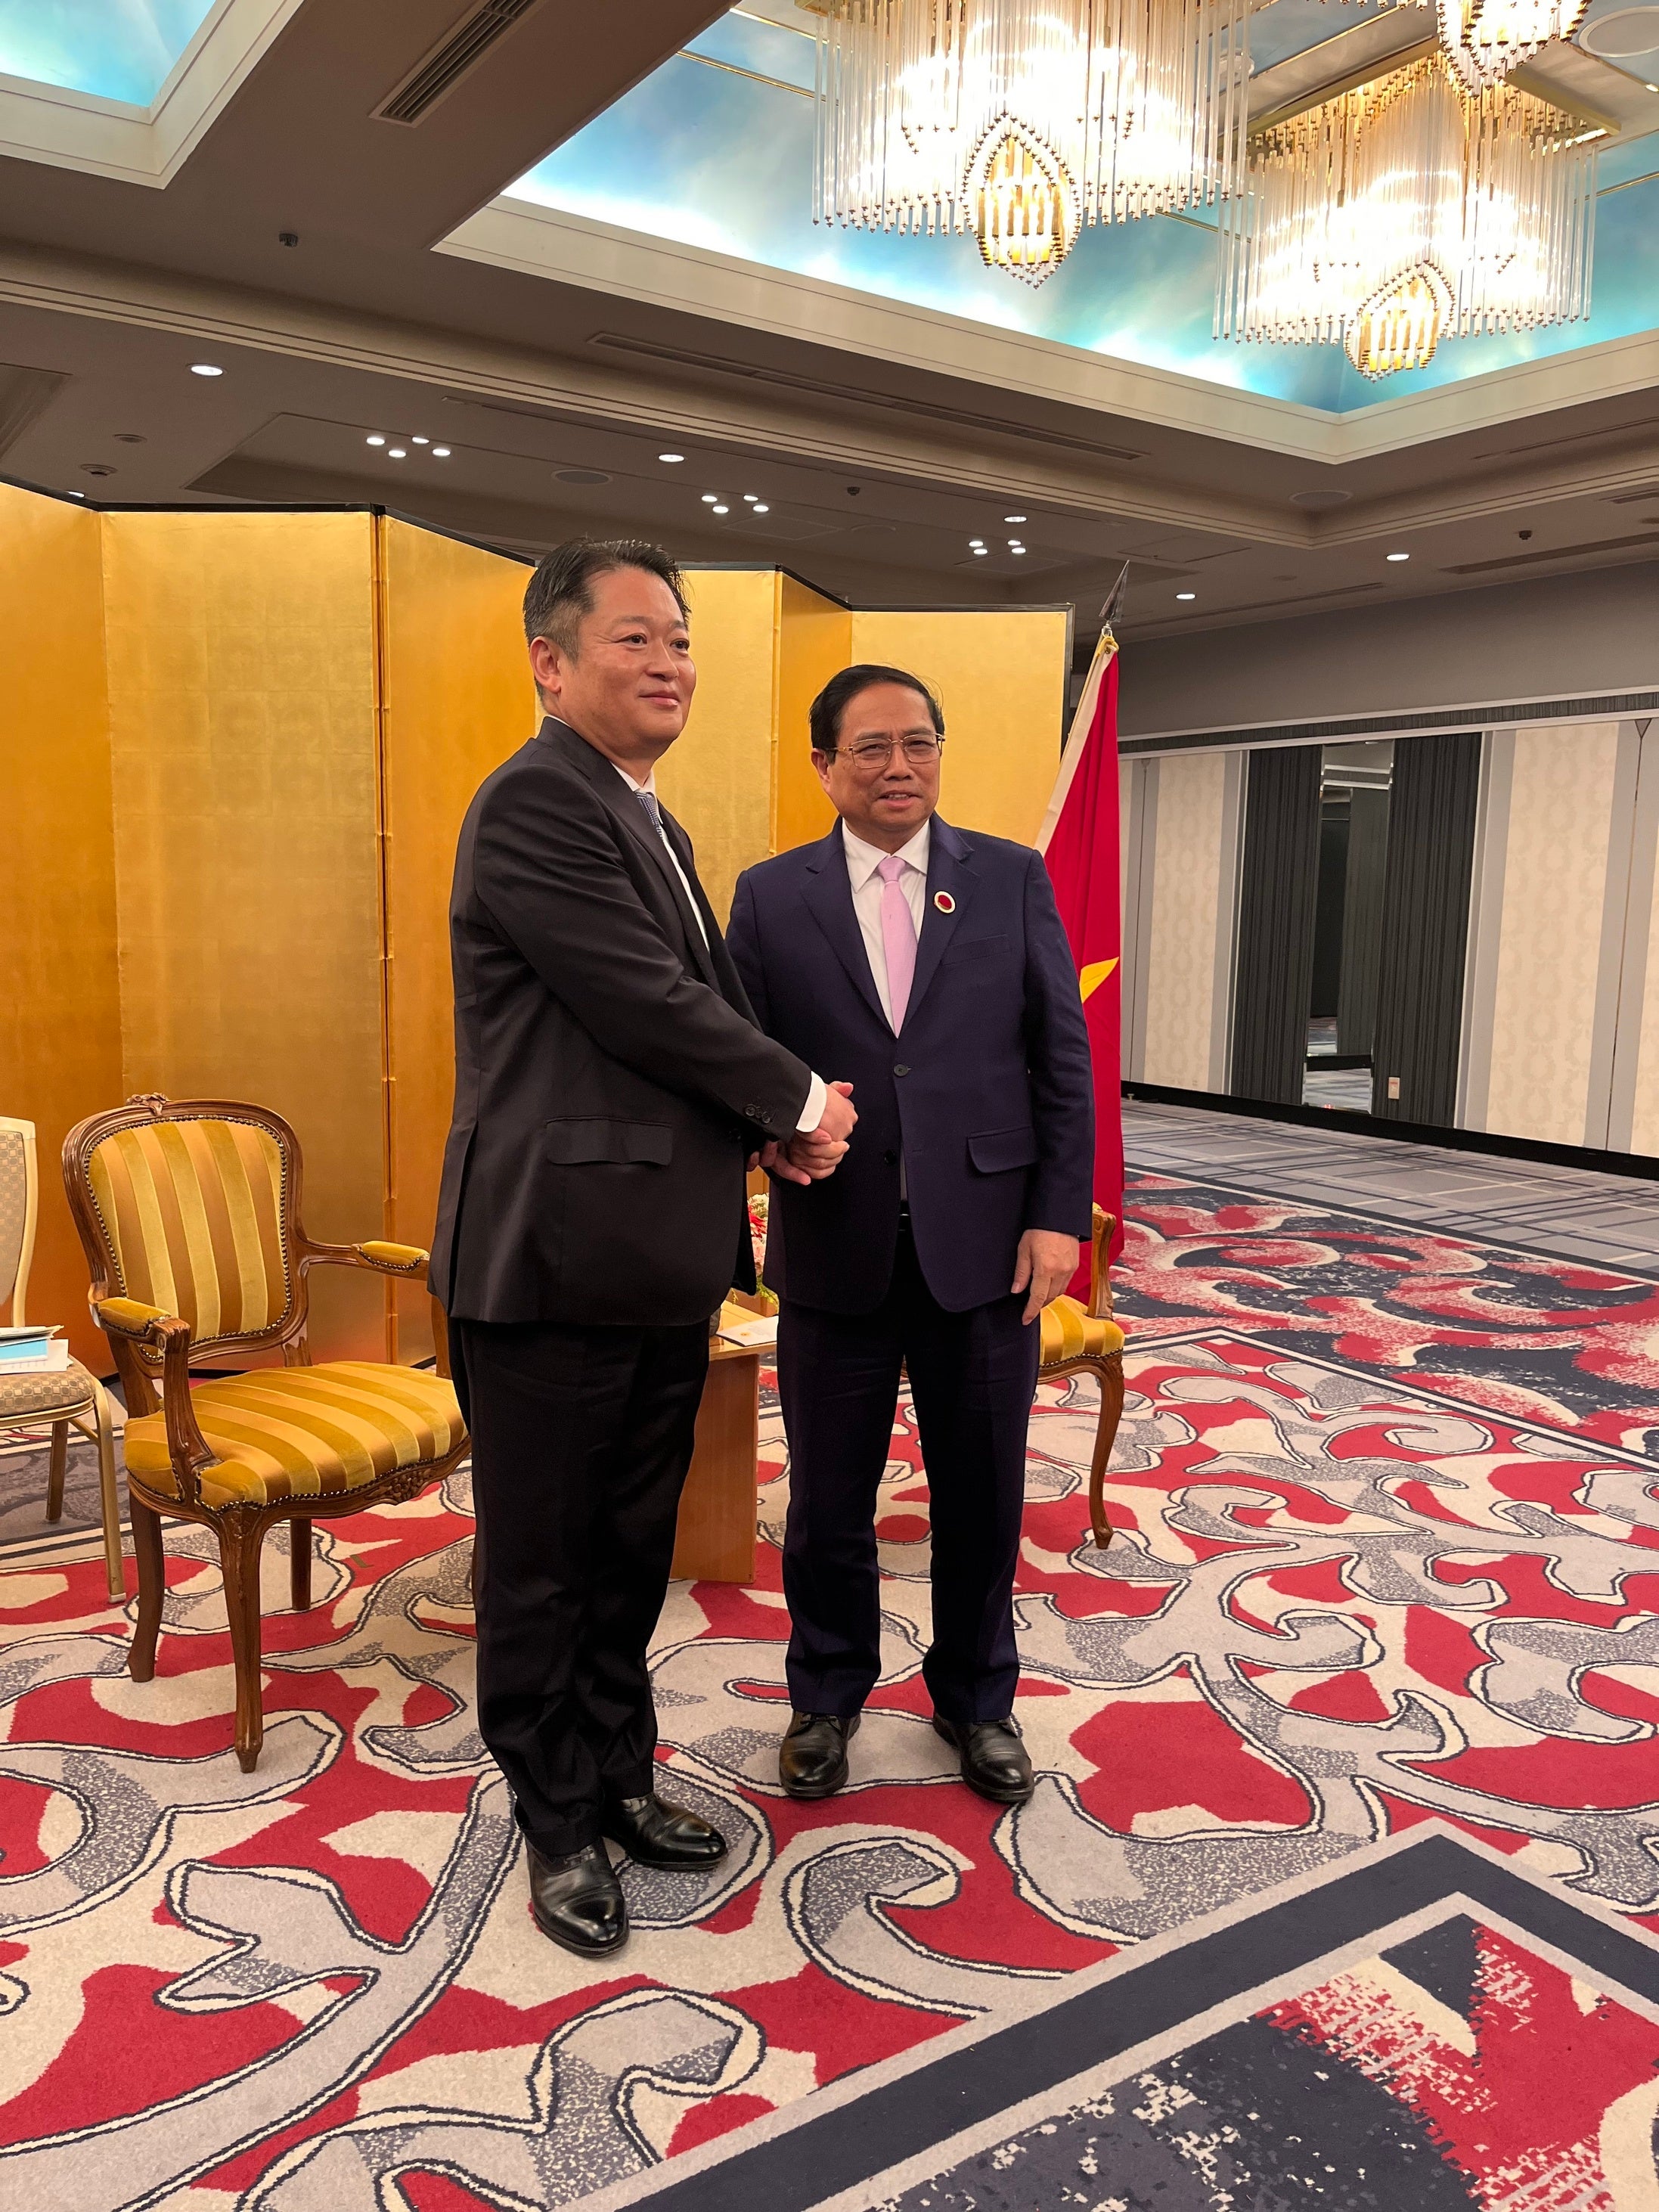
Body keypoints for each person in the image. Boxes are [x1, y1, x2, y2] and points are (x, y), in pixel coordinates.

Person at [430, 539, 856, 1956]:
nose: (668, 661)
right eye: (634, 638)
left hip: (657, 1257)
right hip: (550, 1260)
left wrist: (763, 1135)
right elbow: (637, 1000)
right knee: (543, 1561)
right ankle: (553, 1814)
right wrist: (798, 1100)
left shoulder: (644, 816)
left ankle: (617, 1774)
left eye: (679, 639)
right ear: (549, 663)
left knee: (627, 1549)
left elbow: (685, 1004)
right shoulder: (534, 801)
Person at [726, 665, 1093, 1807]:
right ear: (823, 763)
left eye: (919, 743)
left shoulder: (1010, 877)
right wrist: (770, 1137)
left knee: (980, 1493)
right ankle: (826, 1695)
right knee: (827, 1500)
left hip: (983, 1242)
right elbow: (740, 1057)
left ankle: (977, 1699)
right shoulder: (769, 896)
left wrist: (1056, 1217)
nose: (900, 767)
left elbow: (1060, 1058)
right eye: (872, 747)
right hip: (834, 1238)